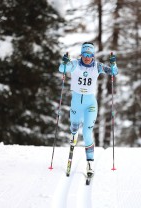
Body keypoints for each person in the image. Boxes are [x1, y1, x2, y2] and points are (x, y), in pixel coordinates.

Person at [58, 42, 118, 176]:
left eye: (89, 55)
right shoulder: (74, 64)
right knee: (74, 127)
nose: (87, 57)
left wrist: (114, 64)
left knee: (86, 133)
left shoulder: (97, 66)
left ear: (93, 55)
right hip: (76, 104)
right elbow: (62, 69)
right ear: (81, 54)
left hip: (90, 105)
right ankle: (73, 135)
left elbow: (114, 72)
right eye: (84, 54)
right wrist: (64, 62)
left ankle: (90, 163)